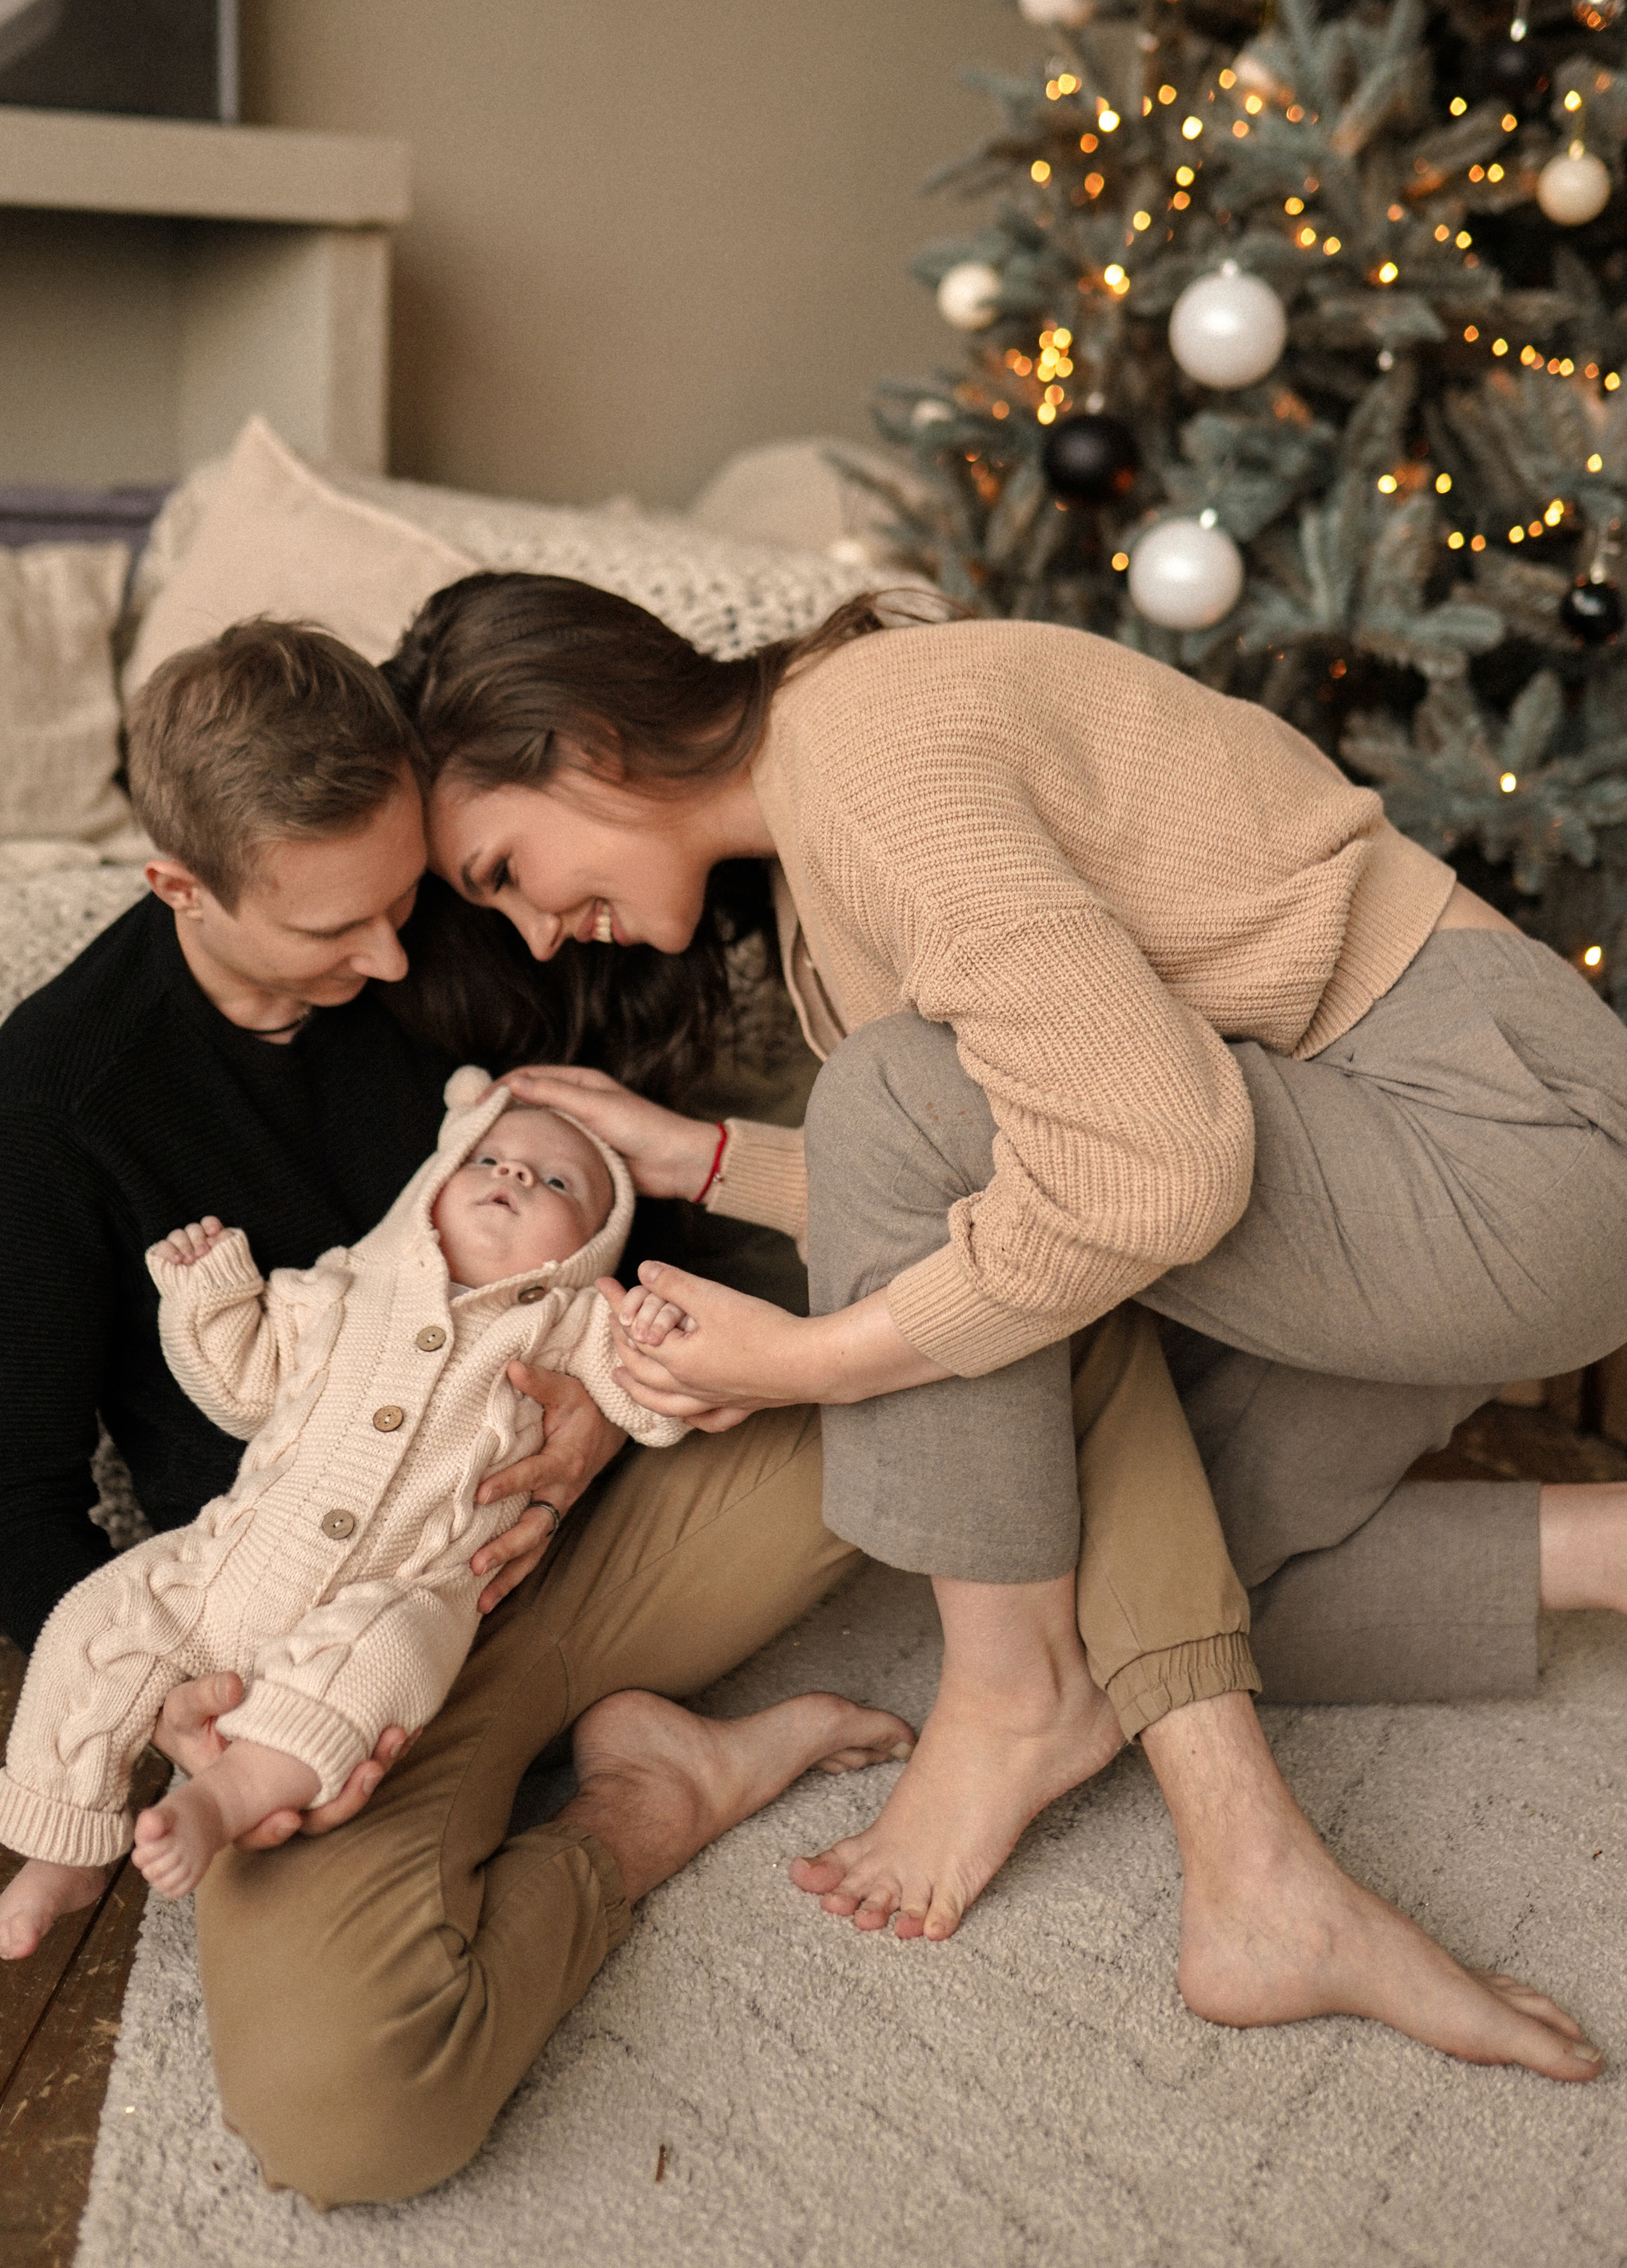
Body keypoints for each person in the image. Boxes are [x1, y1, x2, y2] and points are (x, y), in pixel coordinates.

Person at [397, 569, 1627, 2087]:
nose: (529, 935)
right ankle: (1537, 1615)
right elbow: (1010, 1151)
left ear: (579, 747)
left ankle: (1005, 1699)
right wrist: (701, 1158)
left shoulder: (864, 751)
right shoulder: (819, 837)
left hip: (1505, 1144)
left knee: (915, 1139)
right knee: (1175, 1611)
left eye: (505, 869)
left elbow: (1141, 1162)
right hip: (1375, 1181)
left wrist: (806, 1362)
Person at [0, 1072, 911, 1953]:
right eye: (489, 1160)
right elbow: (241, 1387)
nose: (513, 1176)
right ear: (430, 1185)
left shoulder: (576, 1322)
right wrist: (209, 1295)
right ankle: (60, 1844)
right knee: (99, 1621)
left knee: (378, 1662)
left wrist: (659, 1340)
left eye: (555, 1181)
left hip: (400, 1590)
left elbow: (648, 1404)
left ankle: (223, 1802)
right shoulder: (339, 1284)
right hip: (227, 1561)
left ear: (592, 1244)